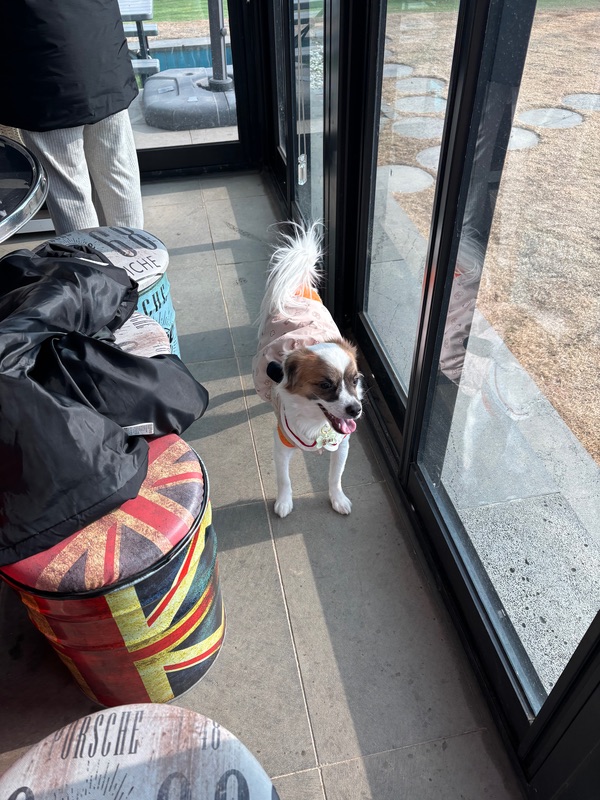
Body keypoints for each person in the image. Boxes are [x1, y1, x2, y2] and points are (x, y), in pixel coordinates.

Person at [0, 0, 144, 236]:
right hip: (104, 53)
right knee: (118, 172)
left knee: (68, 190)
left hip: (43, 67)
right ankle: (136, 252)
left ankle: (86, 258)